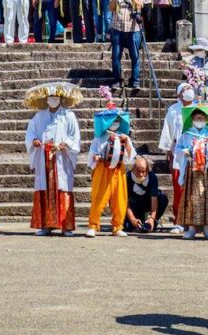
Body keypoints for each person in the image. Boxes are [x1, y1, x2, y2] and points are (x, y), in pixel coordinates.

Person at [25, 82, 82, 236]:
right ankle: (45, 225)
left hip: (61, 157)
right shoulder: (39, 115)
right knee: (44, 188)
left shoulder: (68, 115)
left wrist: (66, 144)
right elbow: (31, 133)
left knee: (63, 188)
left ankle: (66, 225)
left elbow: (74, 136)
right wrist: (34, 141)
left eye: (56, 97)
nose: (53, 99)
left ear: (61, 98)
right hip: (44, 156)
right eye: (50, 97)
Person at [173, 104, 208, 240]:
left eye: (202, 117)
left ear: (206, 118)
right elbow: (178, 148)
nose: (200, 119)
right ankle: (191, 228)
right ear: (192, 118)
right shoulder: (186, 134)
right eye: (197, 117)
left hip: (207, 171)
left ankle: (207, 228)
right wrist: (183, 151)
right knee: (192, 198)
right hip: (192, 171)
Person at [86, 104, 136, 237]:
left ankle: (117, 226)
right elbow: (92, 154)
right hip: (103, 169)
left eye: (118, 121)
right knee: (99, 197)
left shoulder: (124, 137)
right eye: (112, 121)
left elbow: (130, 157)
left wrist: (126, 144)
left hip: (119, 170)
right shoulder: (99, 137)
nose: (115, 123)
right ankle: (93, 225)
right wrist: (95, 157)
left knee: (120, 198)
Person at [159, 83, 195, 234]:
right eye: (185, 89)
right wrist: (168, 150)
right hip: (179, 153)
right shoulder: (174, 110)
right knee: (179, 187)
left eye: (190, 88)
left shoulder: (199, 108)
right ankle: (179, 221)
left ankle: (195, 221)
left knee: (195, 188)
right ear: (179, 94)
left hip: (196, 151)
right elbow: (168, 131)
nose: (188, 91)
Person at [110, 0, 143, 90]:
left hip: (133, 29)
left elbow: (139, 6)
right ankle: (117, 80)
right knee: (115, 56)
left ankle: (135, 80)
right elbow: (111, 8)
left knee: (135, 56)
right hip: (118, 27)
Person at [125, 156, 168, 233]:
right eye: (138, 171)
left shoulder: (152, 177)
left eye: (144, 171)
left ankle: (152, 223)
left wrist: (152, 218)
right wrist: (132, 219)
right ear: (133, 169)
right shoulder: (127, 177)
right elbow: (125, 201)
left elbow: (154, 199)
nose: (141, 175)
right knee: (130, 227)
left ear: (147, 170)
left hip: (147, 203)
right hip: (133, 206)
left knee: (162, 199)